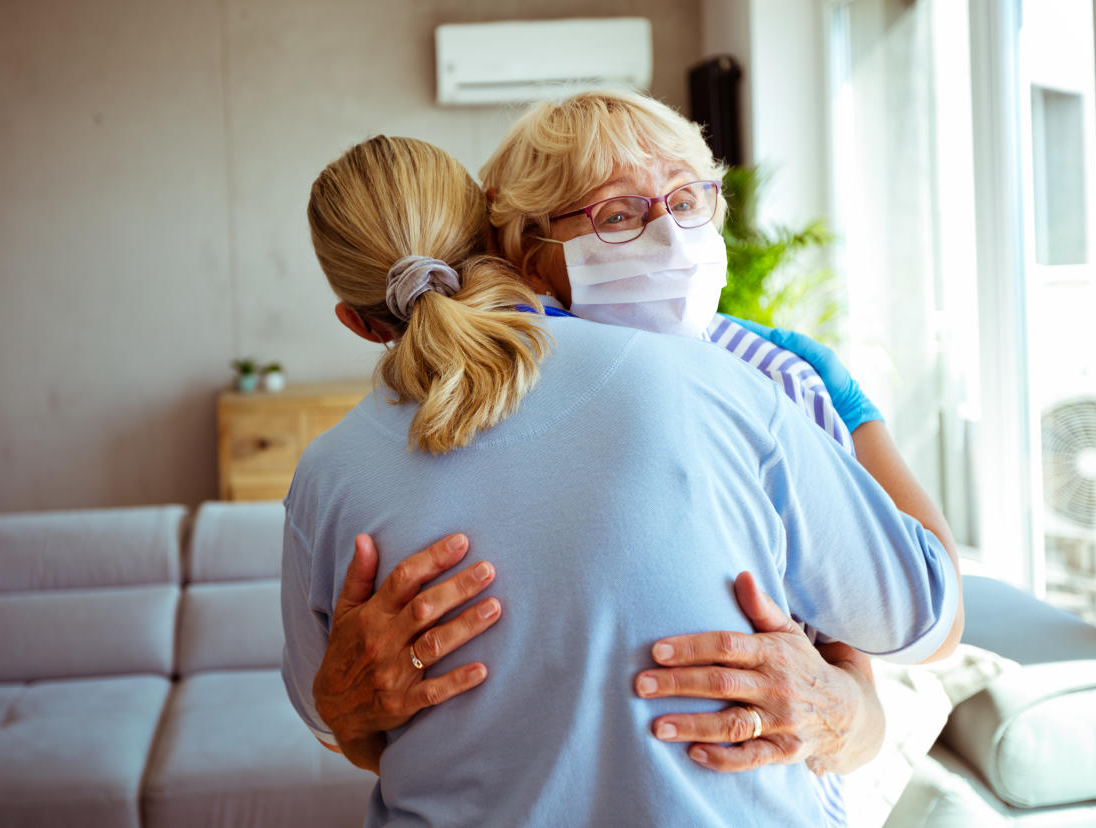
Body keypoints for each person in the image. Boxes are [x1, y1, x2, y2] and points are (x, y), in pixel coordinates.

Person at [306, 89, 959, 817]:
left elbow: (900, 625)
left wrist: (847, 710)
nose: (672, 241)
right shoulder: (714, 384)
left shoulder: (770, 375)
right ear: (521, 250)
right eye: (616, 217)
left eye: (689, 201)